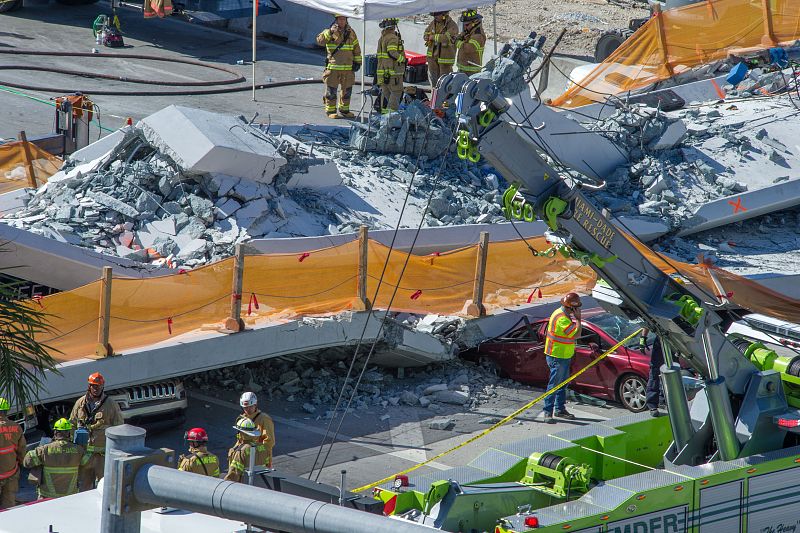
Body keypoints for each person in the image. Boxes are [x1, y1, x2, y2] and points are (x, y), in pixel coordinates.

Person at [69, 372, 123, 491]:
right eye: (94, 386)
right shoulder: (80, 403)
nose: (96, 388)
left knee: (105, 486)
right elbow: (72, 424)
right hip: (84, 455)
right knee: (83, 487)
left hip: (102, 456)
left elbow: (119, 427)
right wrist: (74, 446)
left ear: (103, 386)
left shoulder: (111, 404)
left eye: (99, 386)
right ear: (89, 386)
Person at [23, 418, 88, 500]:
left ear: (55, 432)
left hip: (47, 496)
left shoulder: (44, 449)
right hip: (70, 496)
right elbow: (88, 464)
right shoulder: (79, 450)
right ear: (68, 433)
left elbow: (26, 462)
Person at [542, 293, 582, 423]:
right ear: (572, 308)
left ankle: (559, 409)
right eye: (577, 308)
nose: (578, 310)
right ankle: (548, 411)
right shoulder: (562, 319)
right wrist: (579, 319)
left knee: (562, 384)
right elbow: (577, 335)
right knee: (554, 385)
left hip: (563, 355)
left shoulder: (562, 313)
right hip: (557, 356)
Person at [316, 14, 362, 119]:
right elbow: (320, 41)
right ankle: (330, 111)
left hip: (348, 68)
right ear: (336, 20)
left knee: (347, 91)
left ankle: (344, 110)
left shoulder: (351, 32)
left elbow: (356, 48)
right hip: (334, 68)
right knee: (331, 91)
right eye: (340, 19)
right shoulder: (329, 31)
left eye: (344, 19)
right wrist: (330, 32)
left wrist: (358, 62)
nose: (342, 21)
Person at [224, 417, 270, 483]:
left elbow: (234, 475)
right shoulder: (263, 447)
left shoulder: (241, 451)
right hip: (259, 484)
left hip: (244, 486)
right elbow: (266, 467)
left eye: (238, 432)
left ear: (241, 433)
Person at [237, 391, 275, 468]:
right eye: (245, 407)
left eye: (250, 406)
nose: (247, 409)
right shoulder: (242, 419)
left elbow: (269, 442)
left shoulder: (264, 419)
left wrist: (253, 452)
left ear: (255, 404)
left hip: (259, 458)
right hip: (244, 455)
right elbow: (240, 439)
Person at [0, 397, 25, 509]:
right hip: (11, 472)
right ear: (7, 411)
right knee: (9, 504)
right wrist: (22, 462)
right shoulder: (16, 427)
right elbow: (22, 450)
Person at [376, 18, 406, 114]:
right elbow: (392, 52)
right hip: (393, 72)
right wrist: (403, 59)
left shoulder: (382, 38)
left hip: (383, 71)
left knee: (386, 93)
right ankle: (391, 117)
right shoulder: (392, 37)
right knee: (396, 92)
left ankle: (384, 115)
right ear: (393, 26)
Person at [423, 11, 458, 88]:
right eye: (434, 15)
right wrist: (426, 36)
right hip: (432, 58)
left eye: (437, 15)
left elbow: (445, 38)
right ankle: (434, 97)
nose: (435, 17)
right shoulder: (433, 23)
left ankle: (444, 99)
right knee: (433, 81)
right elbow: (427, 31)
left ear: (444, 14)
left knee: (445, 82)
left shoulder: (452, 25)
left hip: (445, 59)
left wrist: (432, 37)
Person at [641, 329, 665, 417]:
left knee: (673, 371)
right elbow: (646, 324)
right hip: (661, 339)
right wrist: (642, 339)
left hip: (673, 340)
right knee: (655, 372)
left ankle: (664, 400)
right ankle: (652, 405)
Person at [456, 9, 486, 75]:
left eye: (467, 25)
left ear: (474, 23)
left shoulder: (478, 35)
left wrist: (457, 42)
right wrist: (460, 37)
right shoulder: (470, 32)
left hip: (471, 70)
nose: (465, 27)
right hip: (464, 68)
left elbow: (467, 49)